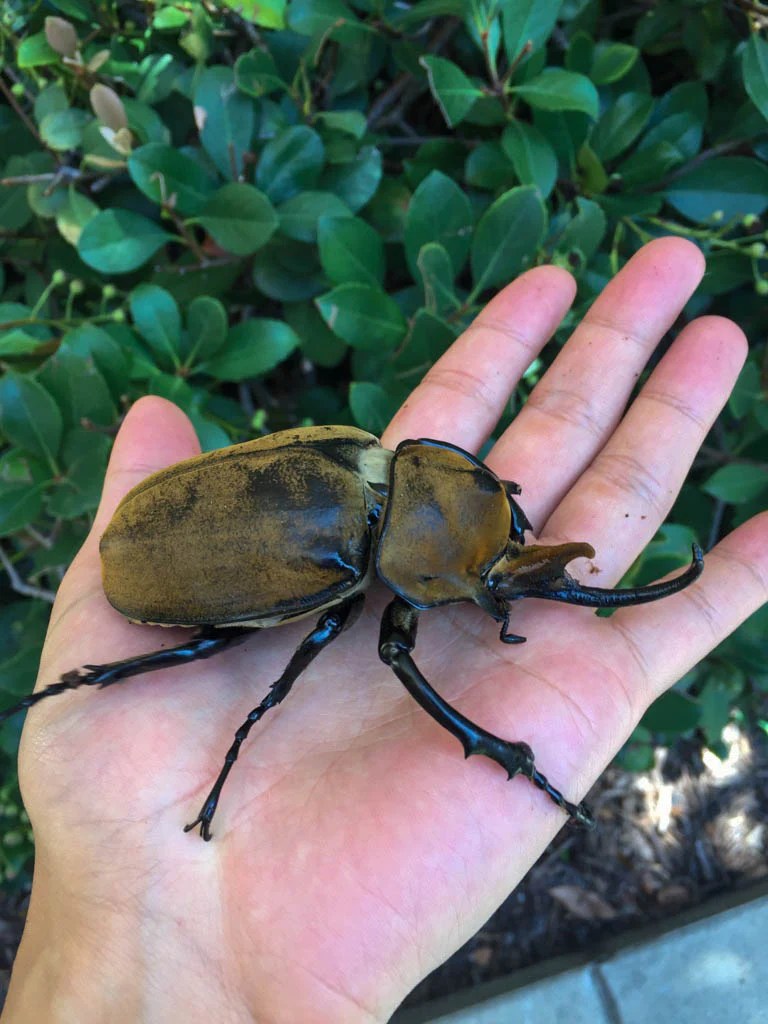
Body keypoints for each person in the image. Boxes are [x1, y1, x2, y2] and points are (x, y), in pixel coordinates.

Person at [2, 237, 766, 1023]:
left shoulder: (359, 450)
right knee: (219, 645)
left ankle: (90, 682)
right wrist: (266, 707)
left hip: (224, 508)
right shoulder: (337, 563)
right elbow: (361, 655)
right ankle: (93, 681)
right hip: (158, 570)